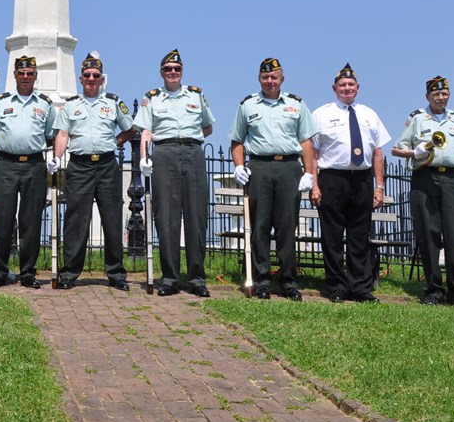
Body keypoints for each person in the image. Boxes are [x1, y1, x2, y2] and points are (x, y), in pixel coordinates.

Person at [230, 57, 318, 301]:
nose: (269, 81)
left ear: (282, 79)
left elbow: (306, 142)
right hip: (259, 167)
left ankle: (288, 281)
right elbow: (237, 141)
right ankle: (263, 279)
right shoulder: (247, 105)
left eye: (274, 77)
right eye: (265, 77)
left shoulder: (296, 104)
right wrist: (239, 167)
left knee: (287, 226)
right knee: (259, 226)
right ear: (259, 78)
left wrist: (309, 173)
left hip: (289, 167)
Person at [135, 49, 215, 297]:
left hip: (192, 152)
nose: (173, 73)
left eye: (177, 69)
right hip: (165, 152)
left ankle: (197, 278)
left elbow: (208, 127)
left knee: (196, 217)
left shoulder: (196, 94)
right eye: (168, 69)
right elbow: (146, 132)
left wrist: (189, 142)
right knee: (166, 217)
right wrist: (144, 158)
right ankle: (170, 278)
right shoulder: (152, 98)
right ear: (161, 73)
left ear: (182, 71)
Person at [51, 52, 135, 291]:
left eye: (95, 75)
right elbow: (63, 134)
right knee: (76, 220)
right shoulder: (71, 105)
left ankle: (116, 274)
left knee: (112, 219)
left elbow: (130, 129)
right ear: (80, 78)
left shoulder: (112, 102)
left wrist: (115, 142)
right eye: (87, 75)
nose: (91, 78)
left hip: (107, 165)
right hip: (79, 166)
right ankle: (69, 273)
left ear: (102, 78)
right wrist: (57, 159)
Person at [392, 75, 454, 307]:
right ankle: (433, 291)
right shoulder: (417, 118)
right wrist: (415, 153)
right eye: (436, 94)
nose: (441, 97)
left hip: (451, 179)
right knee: (428, 235)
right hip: (425, 177)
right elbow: (397, 149)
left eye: (444, 94)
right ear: (428, 96)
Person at [310, 63, 391, 302]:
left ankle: (360, 288)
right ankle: (336, 286)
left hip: (362, 180)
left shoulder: (370, 114)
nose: (347, 88)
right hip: (332, 178)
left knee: (359, 236)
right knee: (332, 236)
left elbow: (378, 153)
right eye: (342, 85)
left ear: (358, 87)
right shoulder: (321, 114)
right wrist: (314, 185)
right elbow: (313, 153)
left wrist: (379, 186)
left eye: (351, 85)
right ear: (334, 88)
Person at [0, 54, 56, 289]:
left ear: (35, 76)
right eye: (21, 73)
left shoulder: (45, 104)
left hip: (34, 164)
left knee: (31, 219)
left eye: (29, 73)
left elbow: (52, 135)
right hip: (6, 164)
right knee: (2, 217)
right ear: (14, 76)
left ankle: (28, 272)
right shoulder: (1, 101)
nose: (25, 77)